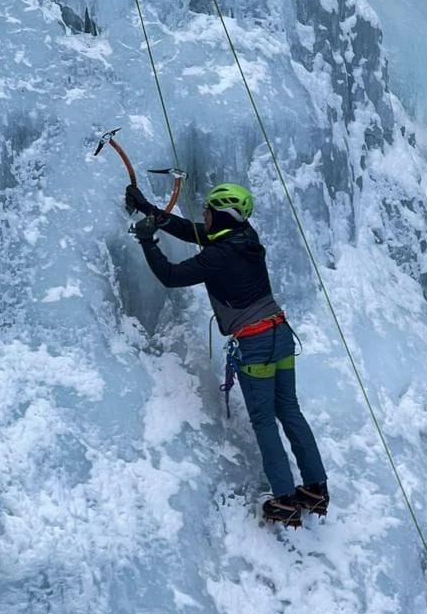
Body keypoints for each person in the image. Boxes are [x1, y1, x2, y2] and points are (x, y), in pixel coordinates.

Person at [127, 181, 328, 526]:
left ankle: (283, 498)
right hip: (279, 334)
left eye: (207, 210)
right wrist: (151, 211)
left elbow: (172, 276)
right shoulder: (243, 236)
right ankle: (315, 488)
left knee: (264, 420)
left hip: (257, 344)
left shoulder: (220, 254)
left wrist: (147, 240)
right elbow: (195, 232)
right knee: (288, 409)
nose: (202, 214)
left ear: (220, 216)